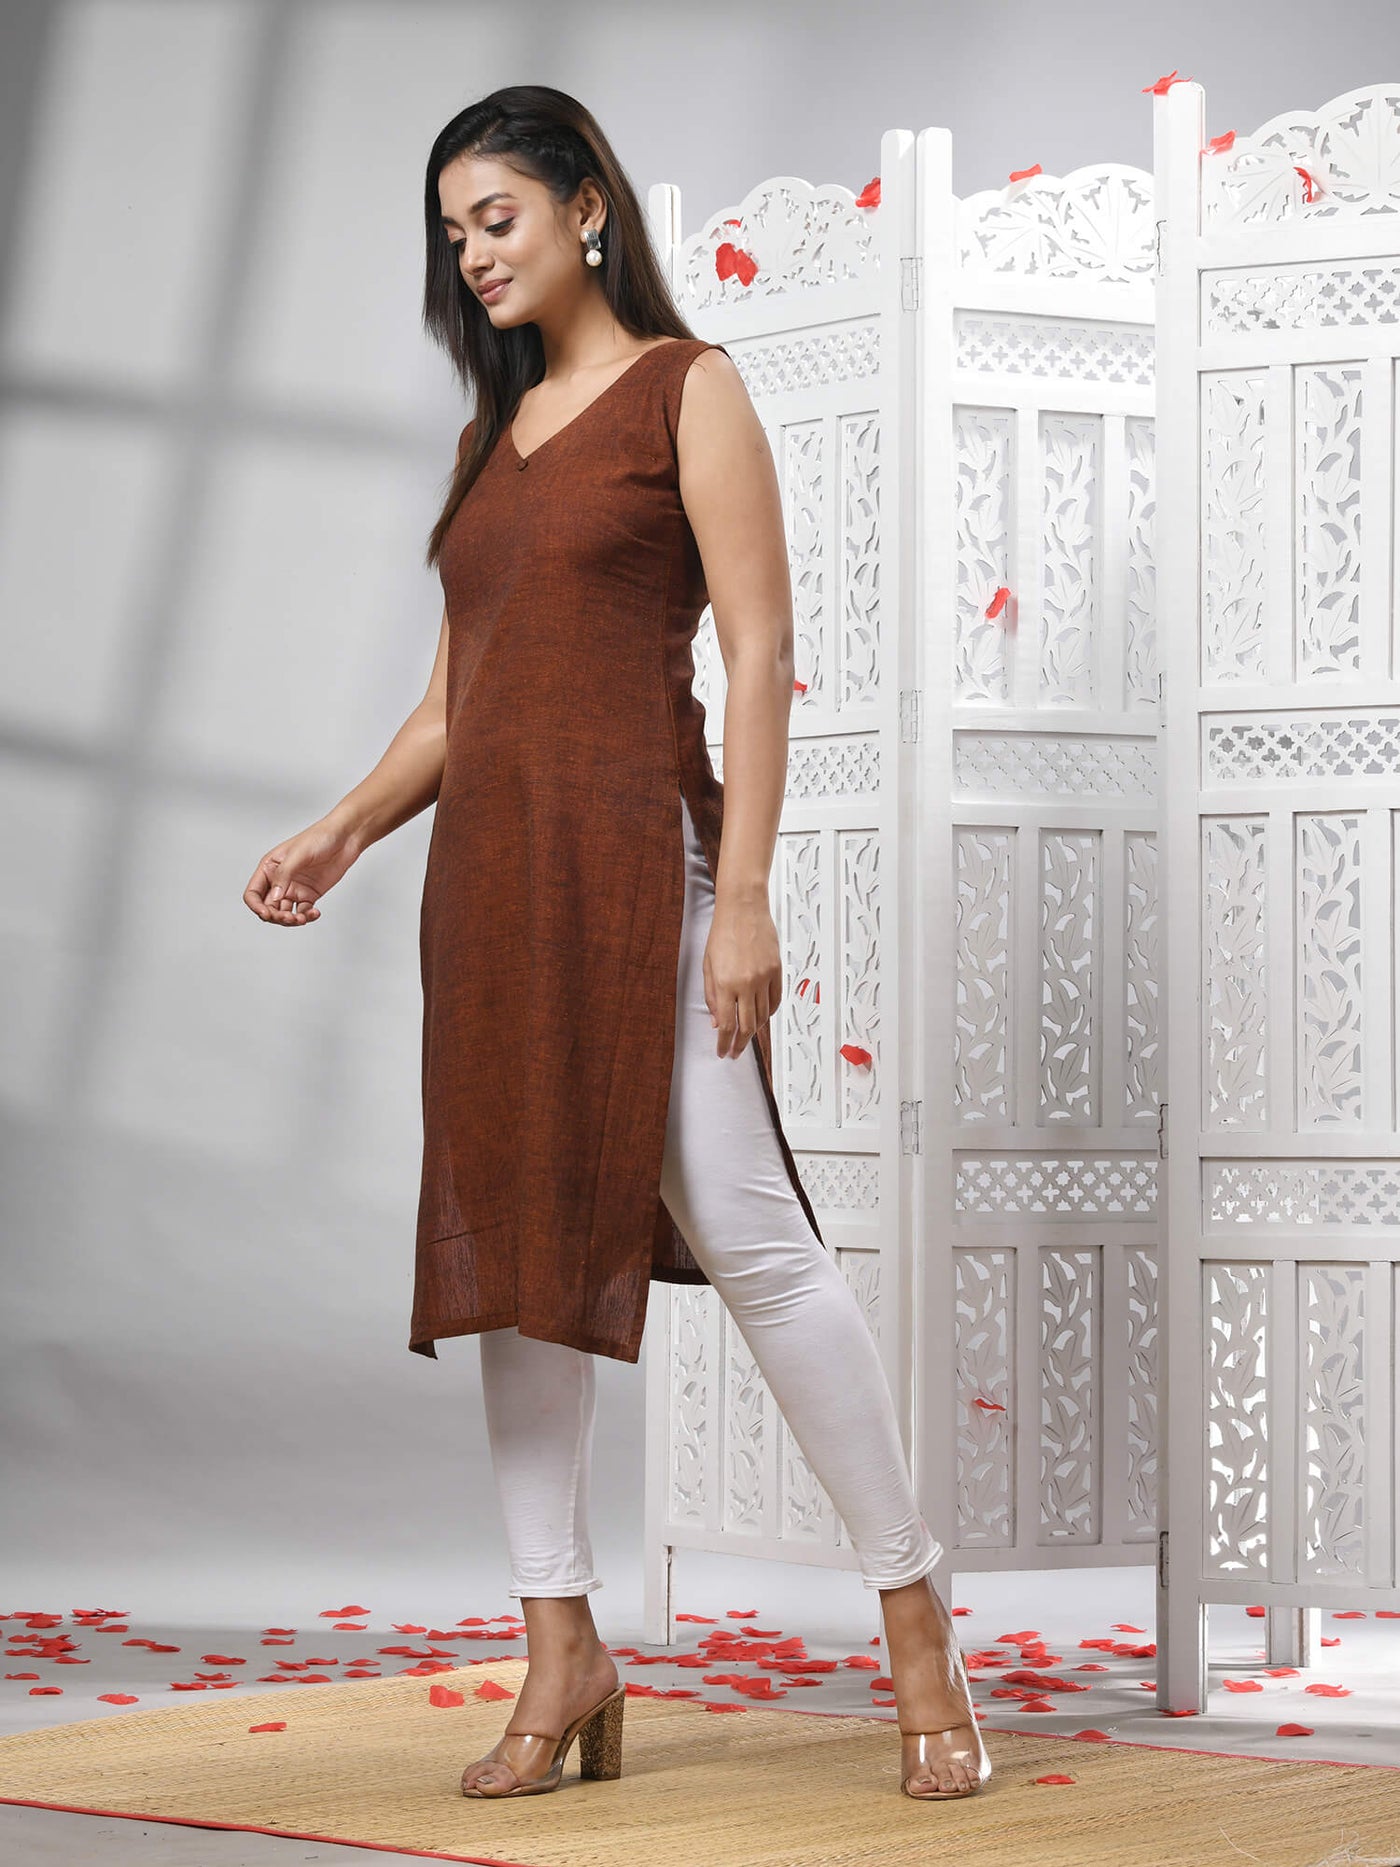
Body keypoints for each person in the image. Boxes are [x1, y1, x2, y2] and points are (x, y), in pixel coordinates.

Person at [243, 83, 990, 1805]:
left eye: (495, 217)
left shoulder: (687, 390)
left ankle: (913, 1616)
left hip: (644, 866)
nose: (470, 255)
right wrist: (343, 830)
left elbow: (763, 651)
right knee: (517, 1249)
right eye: (451, 232)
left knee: (750, 1230)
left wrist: (748, 897)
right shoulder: (488, 441)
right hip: (494, 890)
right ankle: (561, 1644)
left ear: (588, 207)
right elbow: (459, 702)